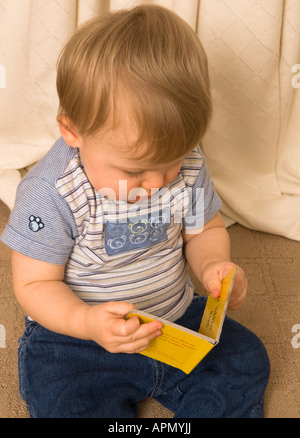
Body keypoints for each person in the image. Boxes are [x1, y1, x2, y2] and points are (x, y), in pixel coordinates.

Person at [1, 5, 269, 418]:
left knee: (245, 358)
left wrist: (215, 264)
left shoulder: (190, 163)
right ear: (73, 131)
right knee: (62, 396)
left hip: (173, 317)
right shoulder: (50, 193)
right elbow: (34, 286)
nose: (159, 182)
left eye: (172, 162)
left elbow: (203, 229)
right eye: (135, 170)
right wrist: (87, 322)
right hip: (79, 338)